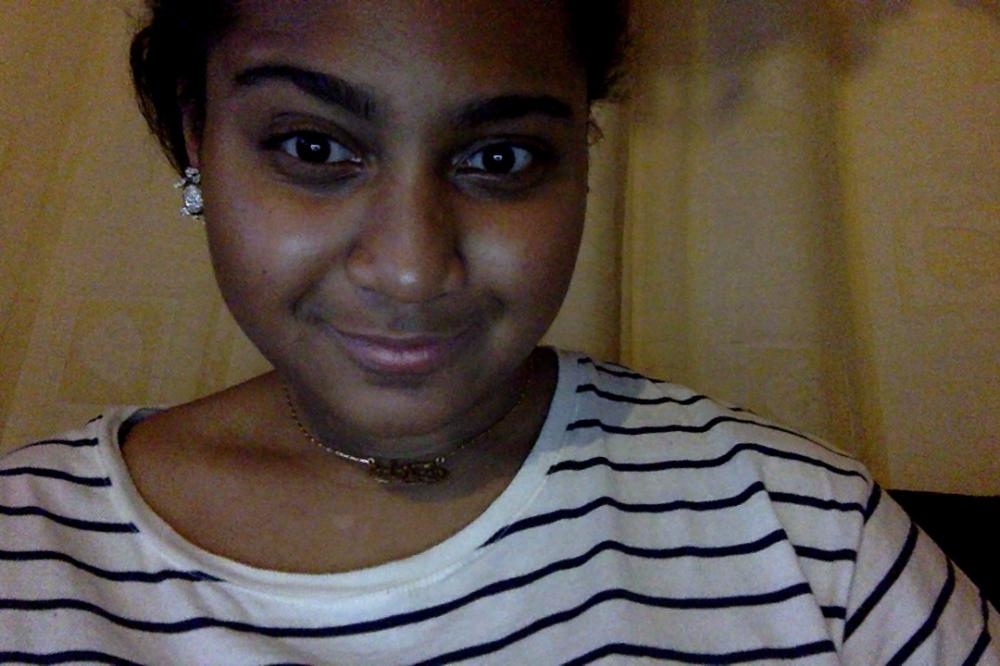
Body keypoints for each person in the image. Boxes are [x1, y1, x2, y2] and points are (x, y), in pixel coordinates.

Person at [1, 0, 996, 663]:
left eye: (501, 158)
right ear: (196, 136)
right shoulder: (26, 547)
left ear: (581, 157)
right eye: (312, 145)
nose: (409, 268)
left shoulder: (811, 538)